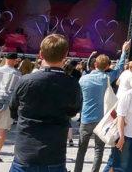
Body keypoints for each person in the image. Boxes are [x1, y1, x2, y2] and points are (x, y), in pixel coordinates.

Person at [9, 33, 83, 172]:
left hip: (25, 153)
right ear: (65, 56)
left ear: (40, 54)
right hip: (53, 155)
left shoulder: (25, 80)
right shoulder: (72, 84)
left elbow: (13, 110)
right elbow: (74, 111)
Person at [75, 42, 130, 172]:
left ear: (95, 64)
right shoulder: (106, 77)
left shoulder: (83, 79)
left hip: (86, 118)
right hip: (101, 120)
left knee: (81, 150)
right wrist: (123, 51)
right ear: (107, 66)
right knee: (99, 150)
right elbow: (119, 68)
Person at [104, 68, 132, 172]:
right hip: (126, 136)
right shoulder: (128, 95)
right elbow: (120, 117)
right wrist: (121, 137)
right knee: (120, 167)